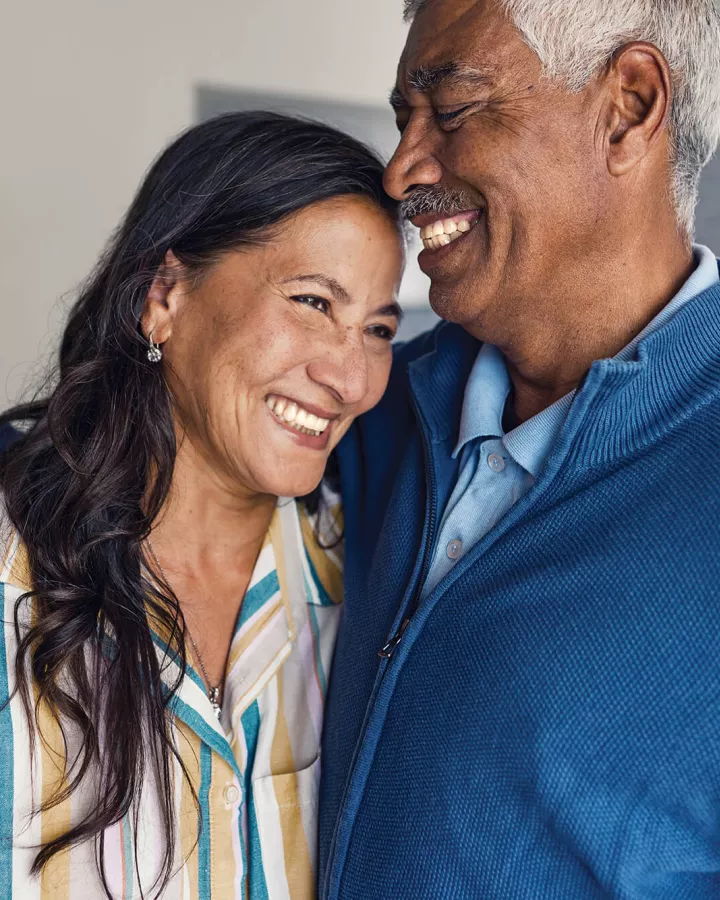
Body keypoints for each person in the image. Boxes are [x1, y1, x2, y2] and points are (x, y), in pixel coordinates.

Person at [318, 1, 720, 897]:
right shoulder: (363, 402)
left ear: (628, 107)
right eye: (402, 118)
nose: (400, 171)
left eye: (453, 109)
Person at [0, 111, 403, 899]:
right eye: (314, 302)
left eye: (379, 328)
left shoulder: (367, 590)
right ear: (165, 295)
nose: (351, 379)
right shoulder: (12, 571)